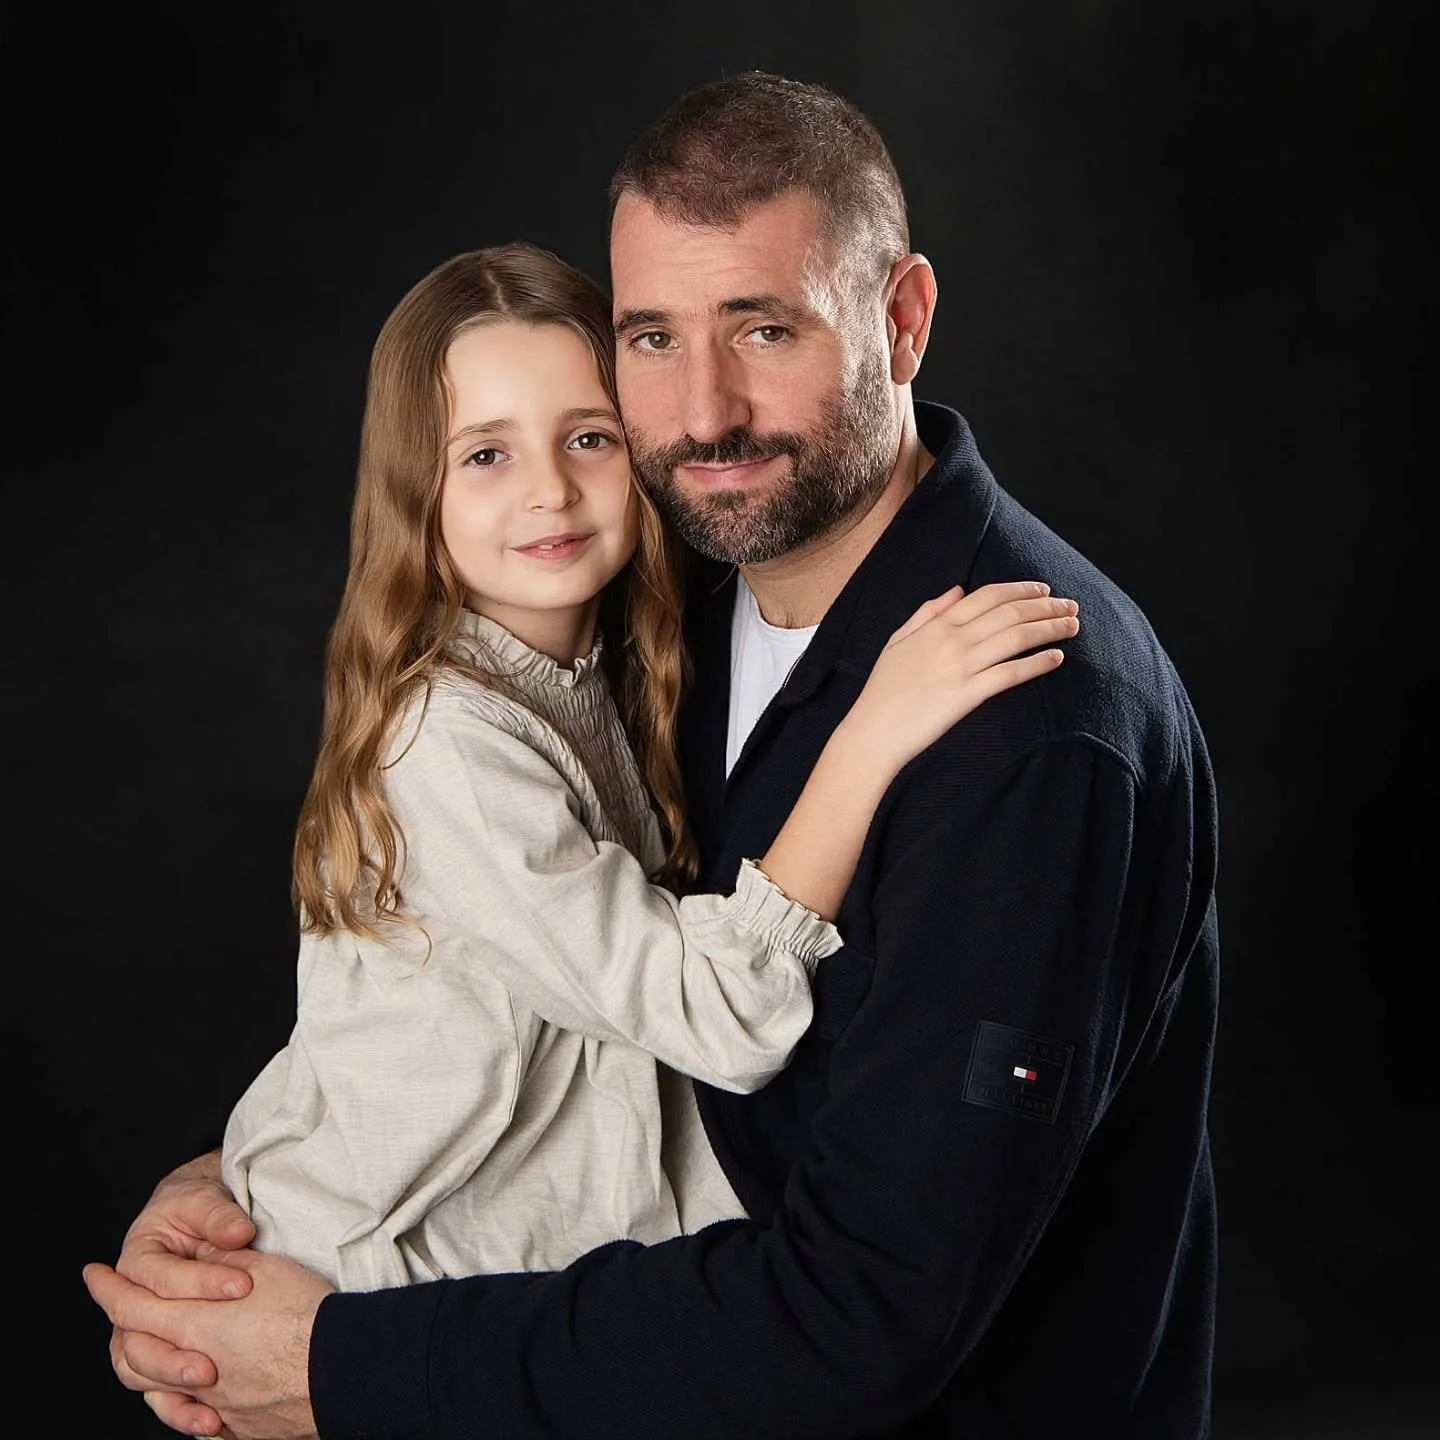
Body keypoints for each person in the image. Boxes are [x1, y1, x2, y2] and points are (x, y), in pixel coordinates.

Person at [85, 71, 1220, 1440]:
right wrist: (247, 1187)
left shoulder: (1029, 730)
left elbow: (861, 1320)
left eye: (763, 328)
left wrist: (338, 1362)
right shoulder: (667, 610)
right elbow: (515, 1009)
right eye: (652, 339)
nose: (705, 409)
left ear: (903, 320)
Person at [210, 239, 1074, 1296]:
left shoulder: (611, 668)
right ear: (413, 490)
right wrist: (871, 731)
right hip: (375, 1275)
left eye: (588, 437)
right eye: (486, 454)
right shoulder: (447, 742)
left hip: (529, 1265)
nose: (550, 493)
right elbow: (715, 1013)